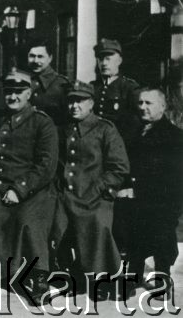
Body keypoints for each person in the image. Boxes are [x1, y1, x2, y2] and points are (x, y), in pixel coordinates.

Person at [0, 71, 58, 303]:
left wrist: (19, 189)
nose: (13, 97)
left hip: (33, 188)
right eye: (8, 92)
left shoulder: (41, 122)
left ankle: (39, 278)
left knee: (30, 220)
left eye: (18, 92)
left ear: (29, 93)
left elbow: (46, 165)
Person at [55, 81, 130, 300]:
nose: (74, 106)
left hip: (95, 197)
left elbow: (119, 167)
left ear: (91, 103)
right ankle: (73, 276)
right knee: (56, 226)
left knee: (97, 225)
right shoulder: (63, 128)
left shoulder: (104, 128)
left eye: (80, 100)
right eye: (71, 101)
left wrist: (98, 188)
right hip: (66, 195)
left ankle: (102, 279)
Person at [122, 87, 183, 300]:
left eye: (149, 103)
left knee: (161, 238)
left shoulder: (174, 136)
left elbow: (175, 176)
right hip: (137, 197)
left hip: (163, 199)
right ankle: (134, 275)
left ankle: (162, 279)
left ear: (163, 106)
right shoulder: (135, 132)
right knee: (134, 235)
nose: (143, 108)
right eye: (140, 103)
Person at [91, 38, 140, 257]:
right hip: (95, 162)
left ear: (119, 59)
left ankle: (123, 262)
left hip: (119, 162)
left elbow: (134, 129)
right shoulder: (93, 89)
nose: (104, 63)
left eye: (109, 58)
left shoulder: (129, 88)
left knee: (121, 216)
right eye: (101, 58)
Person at [27, 39, 70, 125]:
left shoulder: (61, 84)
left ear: (50, 58)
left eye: (40, 57)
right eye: (32, 56)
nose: (35, 61)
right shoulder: (23, 80)